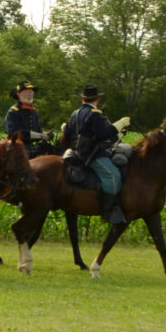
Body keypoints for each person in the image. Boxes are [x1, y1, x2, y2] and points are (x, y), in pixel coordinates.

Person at [65, 85, 128, 226]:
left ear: (82, 99)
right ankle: (107, 211)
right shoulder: (95, 114)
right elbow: (103, 134)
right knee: (114, 176)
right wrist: (120, 124)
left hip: (76, 151)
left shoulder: (75, 114)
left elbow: (68, 130)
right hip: (92, 155)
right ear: (98, 99)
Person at [5, 82, 47, 149]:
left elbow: (38, 129)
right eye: (26, 92)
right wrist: (40, 135)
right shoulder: (13, 111)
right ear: (18, 94)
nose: (30, 94)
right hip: (17, 146)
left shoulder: (34, 111)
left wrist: (45, 134)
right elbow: (15, 133)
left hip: (31, 146)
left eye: (31, 92)